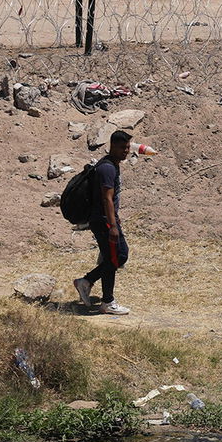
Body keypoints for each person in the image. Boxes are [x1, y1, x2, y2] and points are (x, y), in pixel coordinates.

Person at [72, 130, 133, 315]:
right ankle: (91, 286)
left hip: (106, 219)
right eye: (122, 147)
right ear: (113, 146)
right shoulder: (107, 168)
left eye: (128, 147)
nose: (126, 151)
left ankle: (104, 297)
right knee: (119, 257)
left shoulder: (111, 164)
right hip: (104, 221)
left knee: (114, 257)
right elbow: (107, 198)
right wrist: (113, 225)